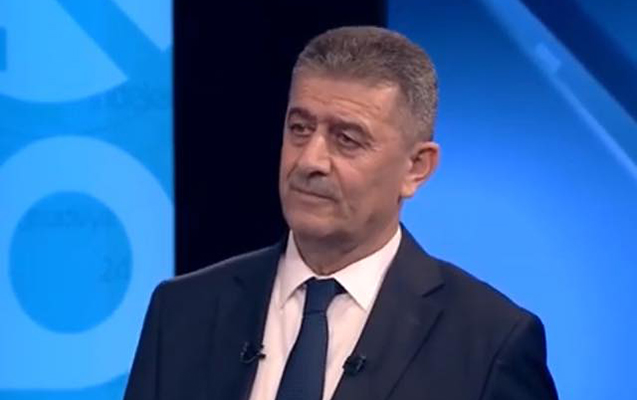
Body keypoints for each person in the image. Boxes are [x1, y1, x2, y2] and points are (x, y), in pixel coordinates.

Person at [124, 26, 558, 400]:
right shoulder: (181, 312)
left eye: (347, 139)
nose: (309, 160)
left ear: (416, 168)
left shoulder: (490, 343)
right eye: (300, 129)